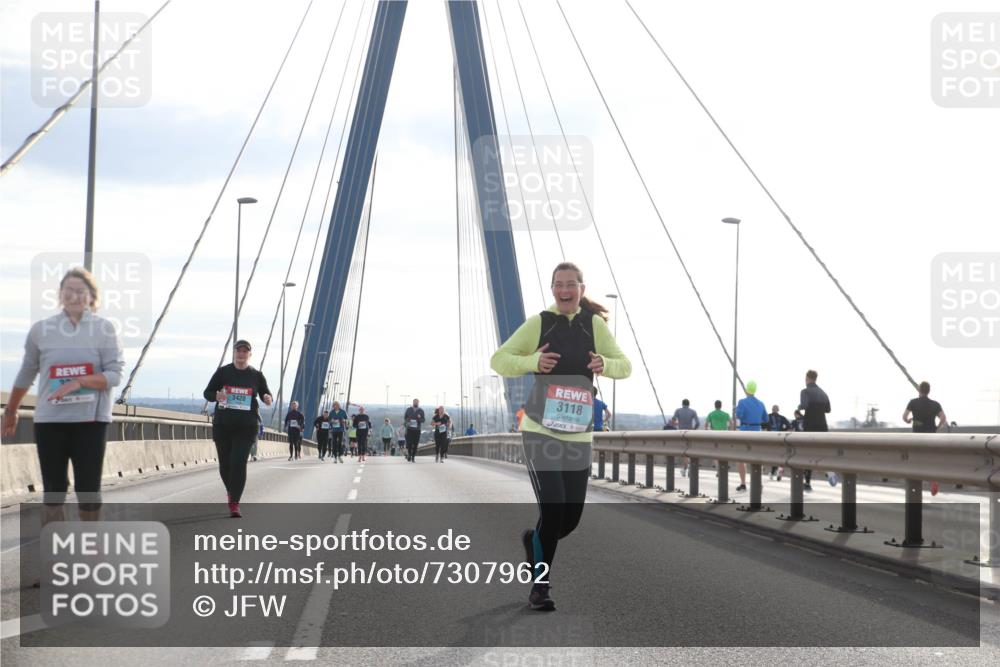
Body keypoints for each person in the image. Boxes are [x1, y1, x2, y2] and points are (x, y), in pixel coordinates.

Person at [491, 262, 631, 611]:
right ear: (552, 289)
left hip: (578, 436)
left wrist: (605, 364)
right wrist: (532, 363)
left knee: (568, 520)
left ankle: (534, 541)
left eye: (571, 284)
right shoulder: (541, 323)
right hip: (540, 431)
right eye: (558, 284)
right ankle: (540, 586)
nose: (564, 290)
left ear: (582, 289)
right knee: (553, 510)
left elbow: (624, 366)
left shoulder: (592, 325)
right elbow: (499, 360)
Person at [3, 267, 125, 531]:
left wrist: (80, 382)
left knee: (88, 490)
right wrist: (11, 410)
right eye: (68, 290)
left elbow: (115, 375)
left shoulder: (104, 329)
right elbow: (27, 372)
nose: (74, 296)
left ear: (92, 296)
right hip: (50, 421)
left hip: (91, 422)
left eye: (80, 291)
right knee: (53, 490)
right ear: (60, 294)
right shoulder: (41, 330)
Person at [204, 339, 273, 517]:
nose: (241, 354)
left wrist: (267, 398)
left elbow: (266, 393)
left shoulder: (256, 375)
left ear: (250, 354)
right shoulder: (223, 372)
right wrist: (216, 396)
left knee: (238, 463)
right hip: (223, 425)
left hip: (246, 427)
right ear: (234, 353)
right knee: (225, 465)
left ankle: (234, 503)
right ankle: (231, 491)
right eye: (238, 351)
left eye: (245, 351)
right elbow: (207, 392)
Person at [904, 381, 948, 495]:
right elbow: (943, 418)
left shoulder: (913, 402)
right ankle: (933, 481)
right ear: (929, 391)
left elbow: (904, 417)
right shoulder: (935, 404)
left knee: (917, 460)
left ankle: (916, 484)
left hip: (917, 437)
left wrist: (909, 420)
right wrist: (937, 427)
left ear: (919, 390)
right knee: (930, 460)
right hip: (930, 436)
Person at [798, 369, 831, 491]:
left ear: (807, 378)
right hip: (822, 426)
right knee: (822, 452)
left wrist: (799, 407)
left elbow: (804, 405)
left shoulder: (805, 391)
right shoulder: (823, 392)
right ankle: (829, 470)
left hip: (810, 426)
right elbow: (828, 410)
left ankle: (807, 482)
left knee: (808, 454)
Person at [734, 381, 767, 492]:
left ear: (747, 390)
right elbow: (766, 419)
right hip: (757, 432)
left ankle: (743, 483)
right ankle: (759, 483)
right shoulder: (761, 403)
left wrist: (737, 410)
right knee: (757, 459)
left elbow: (739, 415)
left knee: (741, 459)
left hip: (744, 432)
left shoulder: (742, 402)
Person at [704, 399, 741, 487]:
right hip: (724, 435)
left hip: (714, 436)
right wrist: (730, 431)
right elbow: (731, 423)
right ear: (721, 405)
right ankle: (724, 468)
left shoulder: (711, 414)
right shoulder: (726, 414)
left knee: (715, 454)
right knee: (724, 452)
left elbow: (706, 425)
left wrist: (707, 432)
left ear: (715, 405)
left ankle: (718, 470)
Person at [766, 405, 790, 480]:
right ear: (778, 410)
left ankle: (773, 472)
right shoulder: (782, 418)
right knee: (780, 455)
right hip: (780, 438)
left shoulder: (768, 416)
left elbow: (763, 425)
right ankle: (778, 470)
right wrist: (783, 431)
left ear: (772, 409)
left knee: (774, 456)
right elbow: (789, 426)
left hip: (771, 439)